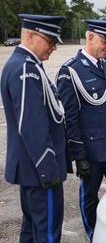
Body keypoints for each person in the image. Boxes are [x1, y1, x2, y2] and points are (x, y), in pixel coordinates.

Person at [56, 19, 106, 241]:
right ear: (90, 37)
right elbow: (69, 118)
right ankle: (93, 235)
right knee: (89, 199)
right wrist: (79, 156)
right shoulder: (70, 71)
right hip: (93, 153)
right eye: (104, 41)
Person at [0, 14, 67, 242]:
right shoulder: (25, 69)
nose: (54, 47)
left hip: (32, 170)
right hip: (41, 171)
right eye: (50, 41)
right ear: (30, 35)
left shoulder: (24, 64)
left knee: (31, 231)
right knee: (47, 234)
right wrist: (48, 170)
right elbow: (32, 126)